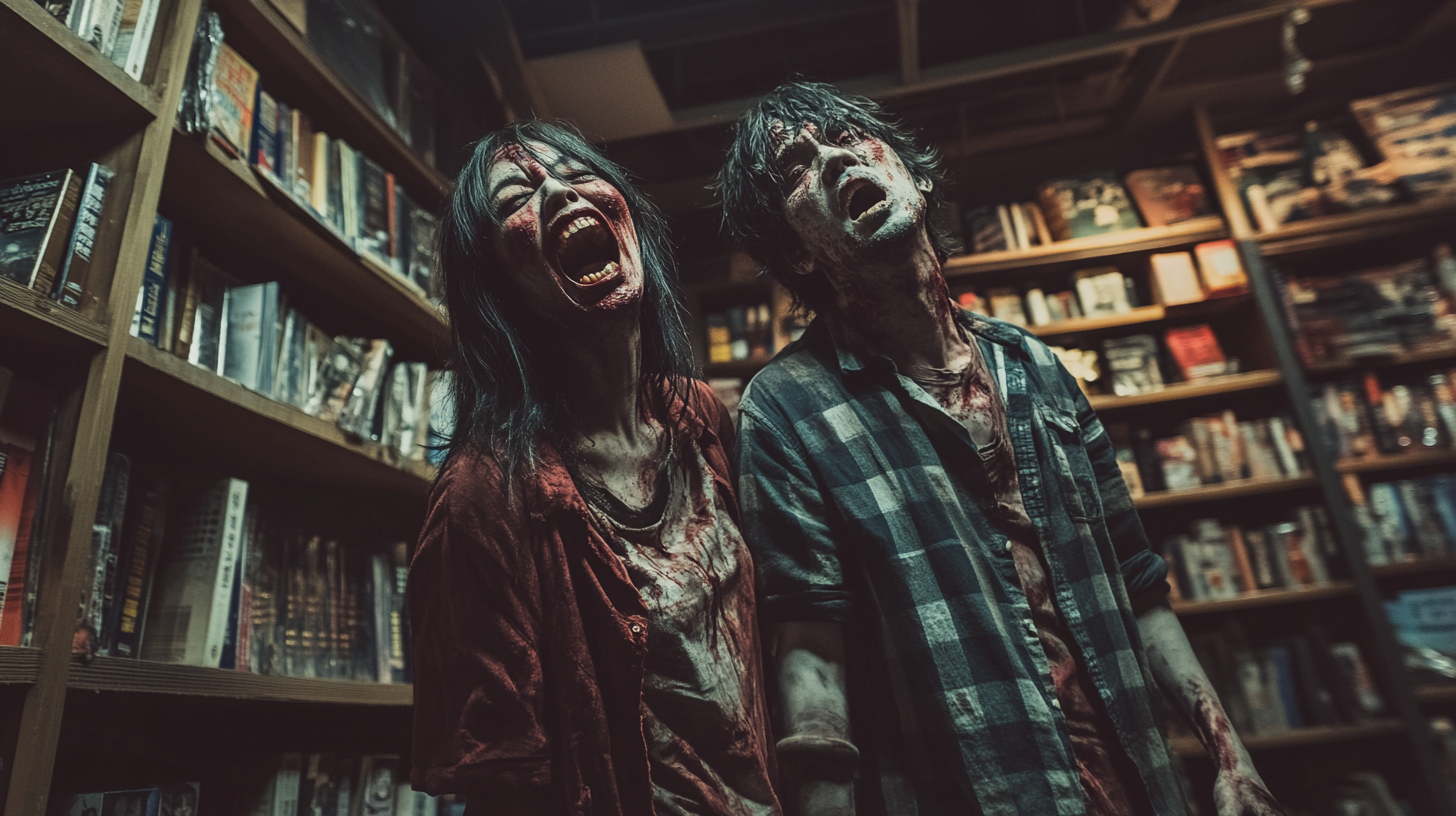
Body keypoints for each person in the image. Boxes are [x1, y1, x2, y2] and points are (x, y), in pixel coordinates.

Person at [717, 81, 1284, 816]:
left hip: (1138, 785)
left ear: (914, 174)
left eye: (848, 138)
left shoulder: (1039, 369)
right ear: (794, 255)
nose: (830, 158)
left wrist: (1231, 756)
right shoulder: (788, 407)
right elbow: (809, 650)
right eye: (797, 166)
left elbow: (1140, 590)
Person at [408, 120, 780, 816]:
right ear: (495, 286)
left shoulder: (700, 418)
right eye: (518, 193)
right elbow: (504, 787)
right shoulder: (482, 499)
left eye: (576, 174)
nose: (556, 192)